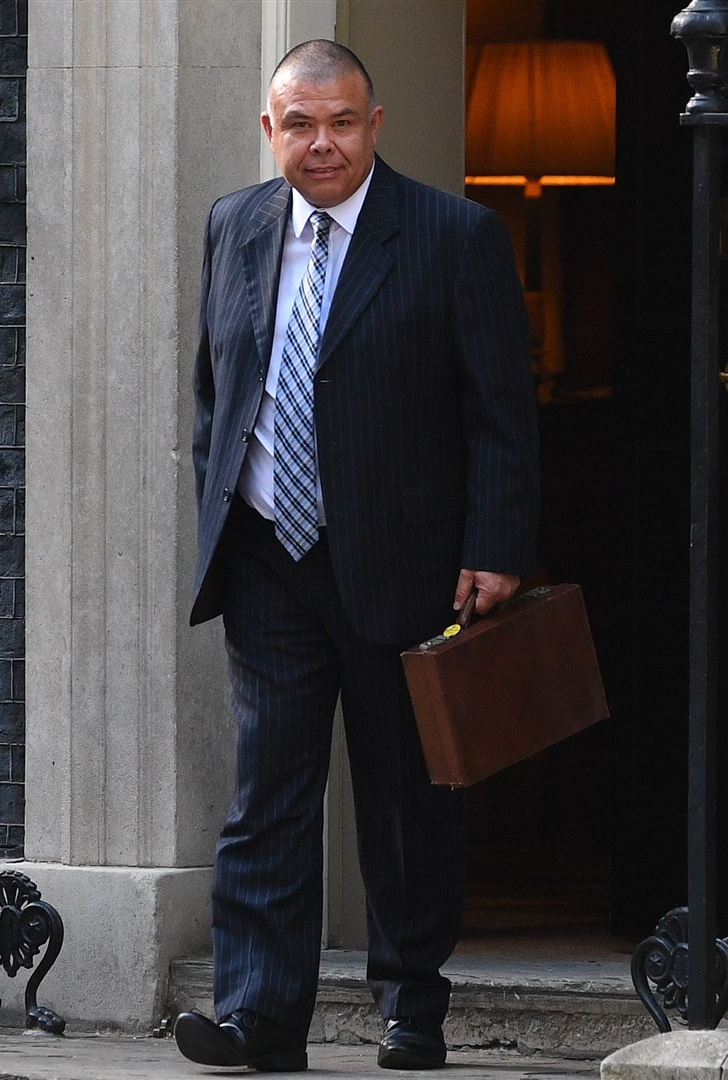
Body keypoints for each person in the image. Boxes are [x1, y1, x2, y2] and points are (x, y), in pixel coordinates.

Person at [174, 40, 539, 1073]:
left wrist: (496, 546)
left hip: (407, 562)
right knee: (267, 795)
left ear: (375, 124)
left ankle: (411, 1004)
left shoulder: (450, 235)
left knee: (404, 793)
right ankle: (260, 1017)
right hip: (267, 559)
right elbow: (218, 388)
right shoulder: (234, 225)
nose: (320, 143)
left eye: (340, 122)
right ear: (270, 129)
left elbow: (500, 413)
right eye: (299, 124)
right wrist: (223, 509)